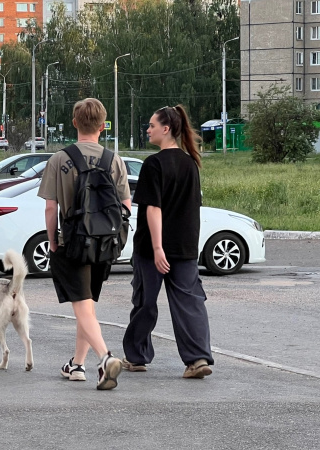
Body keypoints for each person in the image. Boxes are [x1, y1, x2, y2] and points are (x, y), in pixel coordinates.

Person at [38, 98, 131, 390]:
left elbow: (51, 208)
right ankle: (77, 365)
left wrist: (53, 242)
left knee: (82, 306)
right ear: (103, 126)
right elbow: (126, 205)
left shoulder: (59, 159)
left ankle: (105, 358)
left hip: (72, 243)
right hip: (104, 245)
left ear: (75, 123)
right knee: (86, 306)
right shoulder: (113, 159)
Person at [122, 105, 214, 379]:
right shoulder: (190, 163)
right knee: (190, 303)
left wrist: (158, 247)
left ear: (166, 129)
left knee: (145, 303)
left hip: (153, 250)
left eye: (151, 125)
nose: (148, 130)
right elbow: (192, 209)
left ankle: (136, 357)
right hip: (185, 248)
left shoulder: (154, 163)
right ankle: (197, 359)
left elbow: (153, 208)